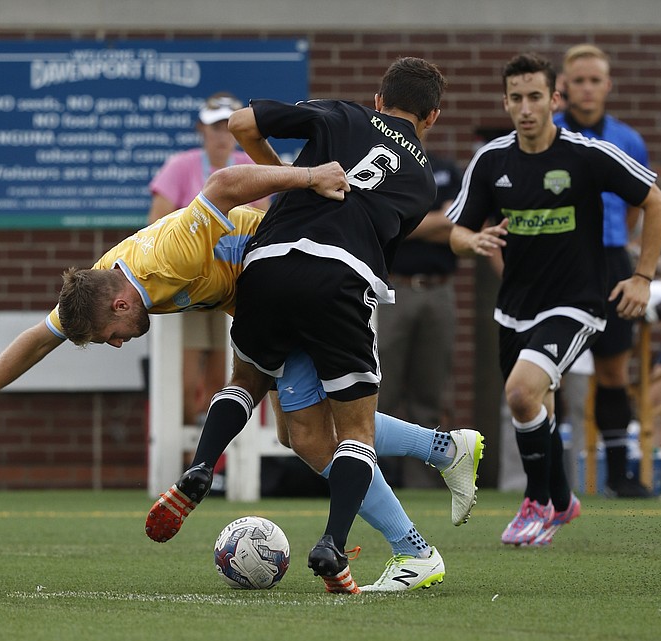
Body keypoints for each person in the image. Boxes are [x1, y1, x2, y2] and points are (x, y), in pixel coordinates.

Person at [0, 159, 483, 592]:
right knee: (301, 433)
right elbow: (38, 338)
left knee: (314, 437)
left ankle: (413, 547)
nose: (117, 344)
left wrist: (309, 176)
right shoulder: (102, 282)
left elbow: (223, 183)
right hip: (270, 300)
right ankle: (445, 450)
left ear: (121, 304)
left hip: (293, 286)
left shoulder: (164, 258)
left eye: (109, 335)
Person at [146, 57, 468, 593]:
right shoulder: (421, 181)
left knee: (255, 392)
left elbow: (241, 124)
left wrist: (292, 182)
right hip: (340, 280)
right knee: (348, 432)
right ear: (432, 116)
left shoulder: (342, 114)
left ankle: (203, 465)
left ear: (378, 99)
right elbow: (382, 234)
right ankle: (334, 543)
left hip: (266, 264)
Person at [447, 52, 661, 546]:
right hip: (515, 306)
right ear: (506, 102)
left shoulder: (587, 155)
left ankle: (538, 503)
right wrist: (473, 241)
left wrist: (642, 276)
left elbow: (655, 200)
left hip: (577, 301)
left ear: (554, 99)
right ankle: (564, 500)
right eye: (517, 99)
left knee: (522, 395)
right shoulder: (492, 160)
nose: (526, 108)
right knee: (535, 407)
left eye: (536, 97)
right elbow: (458, 231)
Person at [554, 44, 653, 497]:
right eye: (579, 80)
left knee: (614, 372)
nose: (588, 89)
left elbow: (640, 205)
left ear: (608, 86)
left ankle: (619, 475)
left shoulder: (628, 139)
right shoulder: (548, 132)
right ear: (565, 87)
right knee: (549, 372)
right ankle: (549, 479)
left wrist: (629, 259)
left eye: (596, 80)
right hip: (561, 262)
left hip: (612, 262)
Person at [148, 92, 272, 427]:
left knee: (226, 381)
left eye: (228, 128)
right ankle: (189, 461)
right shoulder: (180, 165)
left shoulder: (251, 167)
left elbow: (266, 223)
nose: (222, 136)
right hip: (188, 286)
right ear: (201, 130)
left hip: (234, 287)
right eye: (215, 128)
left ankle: (214, 467)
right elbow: (156, 224)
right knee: (186, 385)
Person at [376, 145, 462, 488]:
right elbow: (389, 226)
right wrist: (439, 219)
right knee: (382, 387)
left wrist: (415, 222)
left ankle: (421, 483)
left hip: (440, 289)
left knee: (430, 392)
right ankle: (370, 478)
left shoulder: (446, 170)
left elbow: (462, 225)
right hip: (395, 288)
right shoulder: (388, 165)